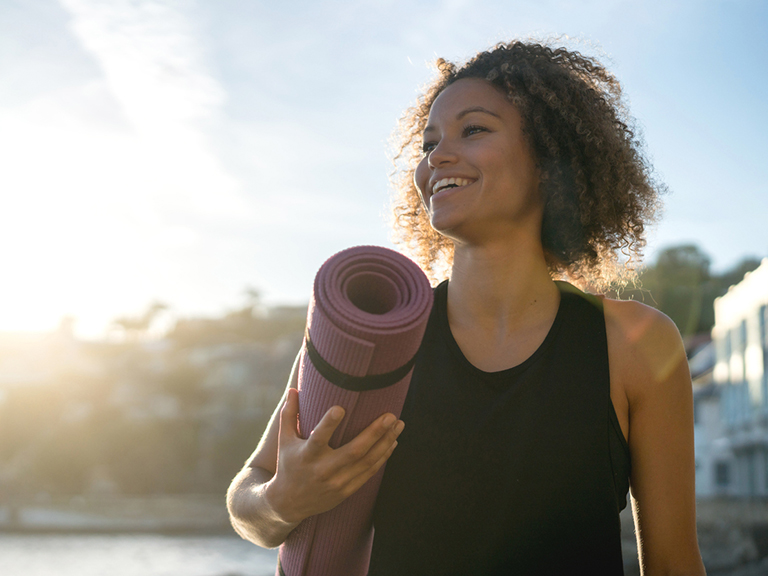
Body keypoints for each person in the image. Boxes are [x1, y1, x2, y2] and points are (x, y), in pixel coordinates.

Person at [227, 40, 706, 575]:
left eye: (473, 130)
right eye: (429, 143)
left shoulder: (636, 342)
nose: (438, 156)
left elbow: (672, 564)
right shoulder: (378, 331)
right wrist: (281, 501)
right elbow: (249, 498)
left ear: (551, 157)